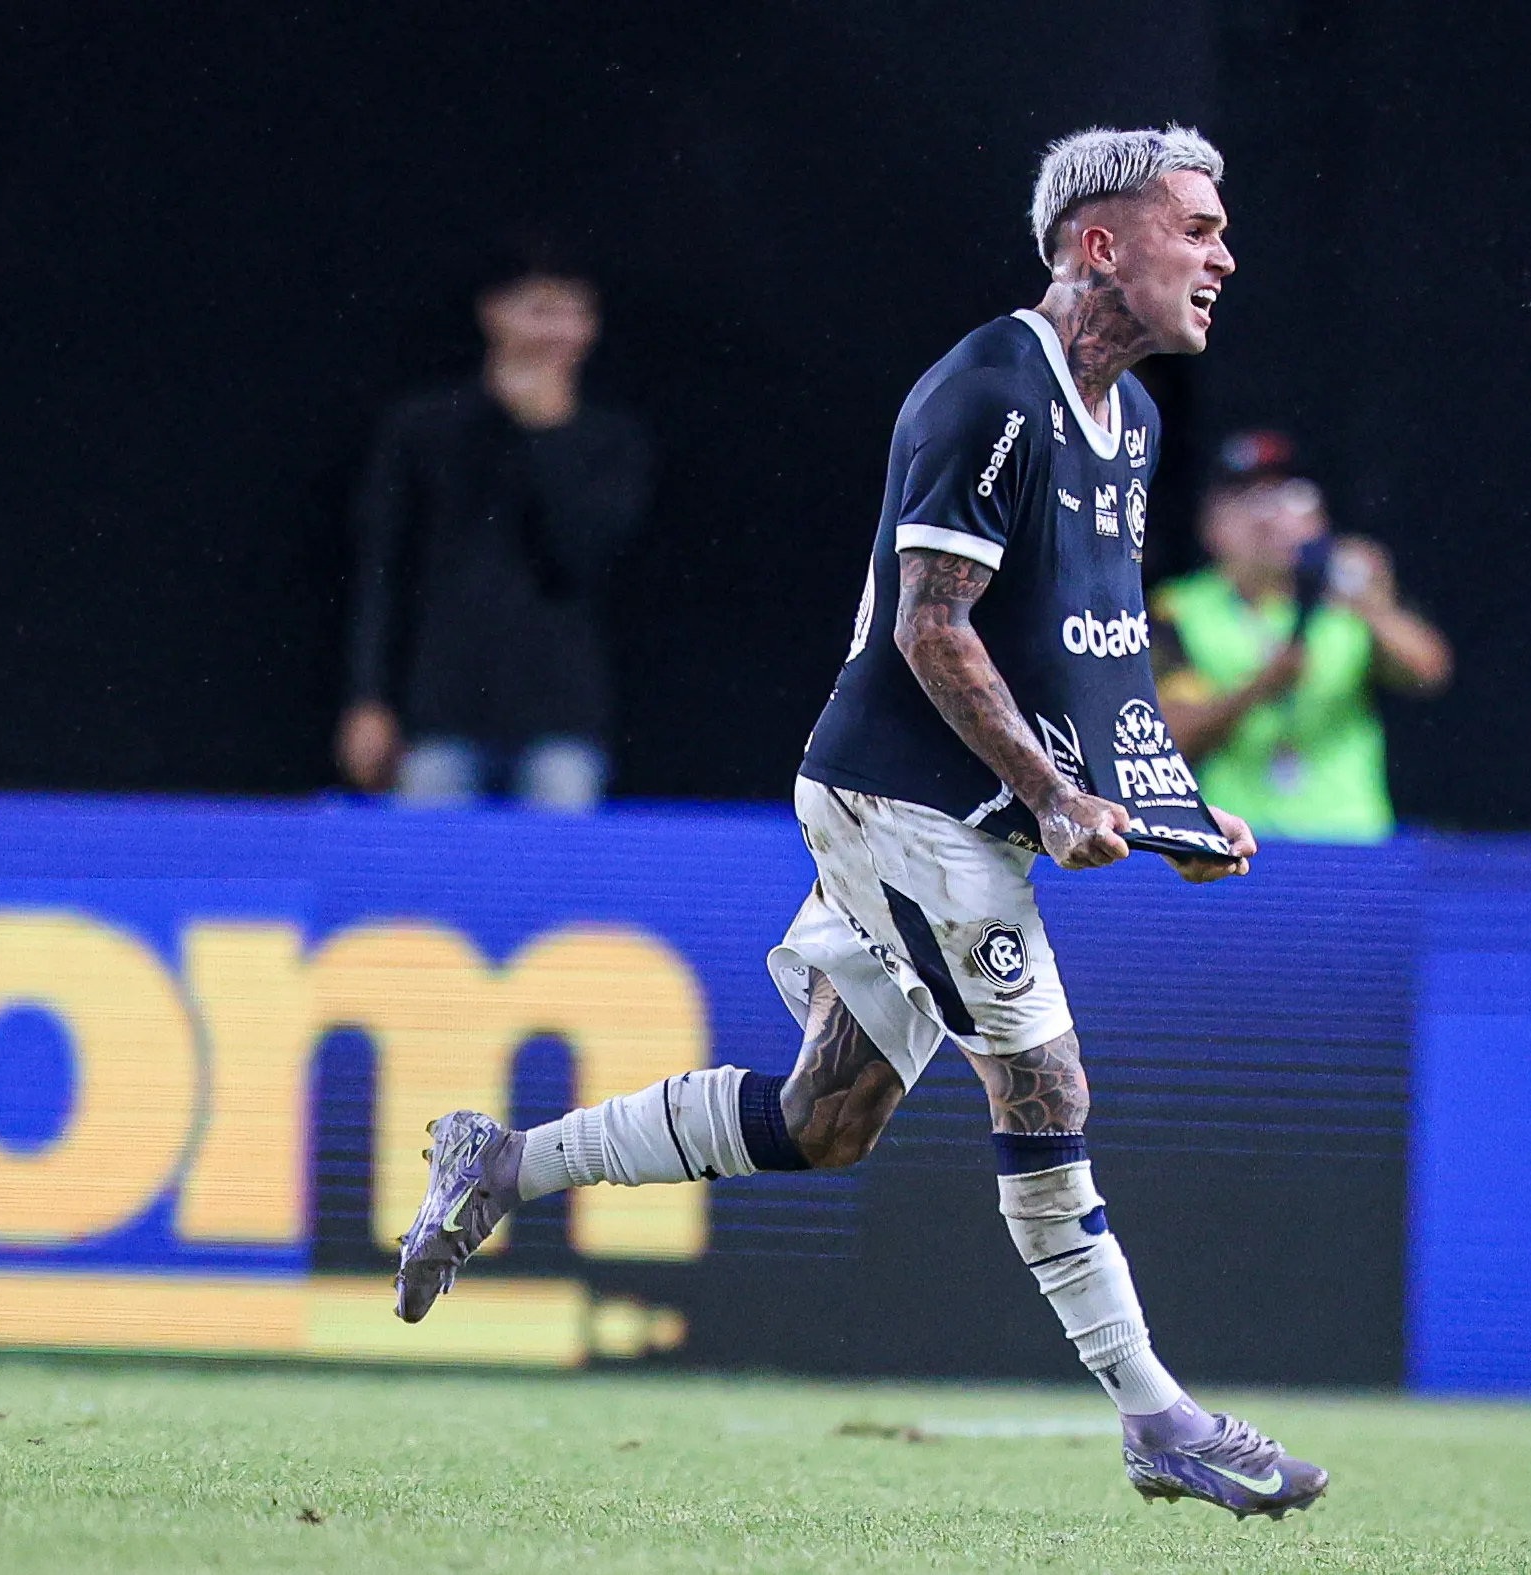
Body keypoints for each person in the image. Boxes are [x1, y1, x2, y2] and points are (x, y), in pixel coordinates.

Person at [392, 127, 1328, 1519]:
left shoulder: (1125, 422)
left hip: (967, 804)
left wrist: (1164, 804)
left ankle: (505, 1160)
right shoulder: (988, 387)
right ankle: (1157, 1413)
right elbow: (931, 627)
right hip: (904, 798)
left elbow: (1092, 649)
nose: (1222, 254)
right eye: (1195, 226)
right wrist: (1060, 796)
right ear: (1098, 244)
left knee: (822, 1118)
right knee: (1043, 1081)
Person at [338, 242, 654, 811]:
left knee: (558, 885)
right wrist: (369, 699)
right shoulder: (425, 427)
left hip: (562, 718)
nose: (557, 331)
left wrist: (546, 433)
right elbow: (383, 570)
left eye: (572, 314)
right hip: (440, 714)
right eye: (539, 311)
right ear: (494, 312)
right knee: (428, 889)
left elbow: (582, 556)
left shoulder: (612, 439)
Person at [1150, 432, 1451, 843]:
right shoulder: (1178, 608)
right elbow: (1169, 739)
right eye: (1248, 501)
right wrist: (1260, 688)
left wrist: (1372, 604)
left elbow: (1428, 673)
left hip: (1350, 840)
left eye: (1288, 497)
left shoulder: (1347, 594)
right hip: (1236, 840)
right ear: (1211, 523)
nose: (1270, 517)